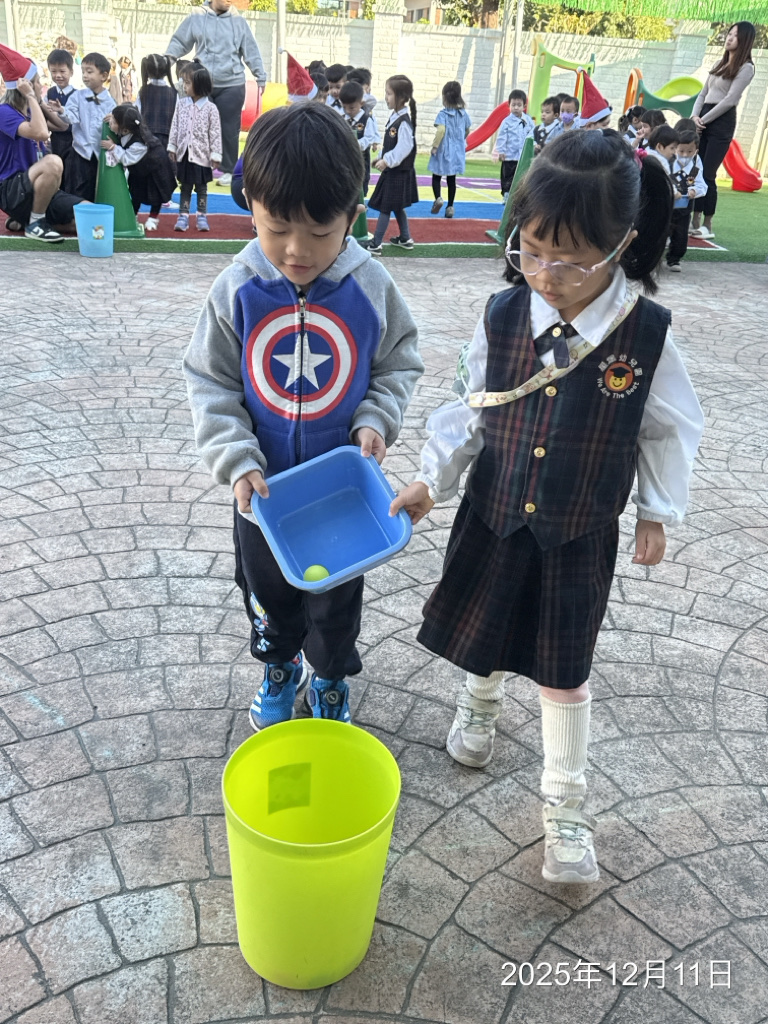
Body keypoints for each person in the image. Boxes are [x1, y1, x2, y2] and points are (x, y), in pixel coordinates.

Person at [390, 129, 703, 885]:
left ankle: (566, 807)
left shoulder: (646, 335)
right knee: (487, 628)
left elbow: (668, 429)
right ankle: (480, 702)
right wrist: (432, 480)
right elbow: (470, 407)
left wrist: (657, 511)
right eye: (530, 252)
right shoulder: (503, 315)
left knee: (565, 672)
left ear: (621, 244)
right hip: (494, 513)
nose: (546, 275)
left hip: (578, 532)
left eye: (570, 260)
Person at [181, 102, 422, 729]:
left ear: (352, 214)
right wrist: (235, 459)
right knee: (268, 595)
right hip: (262, 496)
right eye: (276, 227)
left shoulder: (371, 285)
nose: (296, 250)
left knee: (337, 603)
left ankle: (331, 677)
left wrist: (376, 417)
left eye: (320, 233)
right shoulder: (236, 288)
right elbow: (210, 380)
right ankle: (279, 668)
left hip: (342, 496)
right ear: (250, 206)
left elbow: (399, 362)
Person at [165, 0, 266, 184]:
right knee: (197, 126)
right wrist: (167, 61)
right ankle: (197, 166)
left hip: (231, 83)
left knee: (228, 128)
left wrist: (260, 76)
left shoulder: (239, 22)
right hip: (202, 82)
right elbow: (179, 41)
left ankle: (228, 169)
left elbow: (251, 50)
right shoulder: (197, 16)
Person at [0, 43, 84, 241]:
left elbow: (62, 126)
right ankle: (35, 223)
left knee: (88, 216)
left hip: (39, 189)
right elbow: (41, 133)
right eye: (37, 82)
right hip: (12, 189)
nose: (41, 85)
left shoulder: (31, 110)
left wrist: (37, 101)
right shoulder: (4, 112)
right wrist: (31, 96)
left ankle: (24, 221)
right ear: (26, 88)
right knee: (53, 162)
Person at [691, 21, 756, 240]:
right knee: (696, 170)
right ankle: (694, 219)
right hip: (703, 118)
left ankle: (707, 224)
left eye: (735, 35)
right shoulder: (719, 64)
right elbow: (702, 94)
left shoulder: (746, 68)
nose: (729, 38)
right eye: (729, 33)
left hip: (721, 122)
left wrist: (703, 120)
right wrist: (694, 117)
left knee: (708, 173)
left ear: (744, 40)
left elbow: (730, 100)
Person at [362, 74, 419, 255]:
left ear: (401, 97)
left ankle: (376, 243)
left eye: (389, 94)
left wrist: (387, 161)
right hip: (394, 172)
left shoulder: (403, 122)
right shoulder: (395, 117)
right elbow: (390, 145)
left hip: (398, 173)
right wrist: (380, 157)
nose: (386, 97)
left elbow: (404, 148)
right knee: (397, 205)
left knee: (386, 206)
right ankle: (405, 238)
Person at [48, 51, 115, 202]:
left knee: (97, 189)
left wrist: (114, 121)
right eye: (83, 71)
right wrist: (62, 110)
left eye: (89, 72)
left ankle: (93, 215)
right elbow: (71, 117)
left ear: (104, 76)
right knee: (77, 189)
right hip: (80, 152)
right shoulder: (78, 96)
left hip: (99, 154)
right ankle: (75, 215)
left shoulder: (110, 103)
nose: (85, 75)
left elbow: (114, 128)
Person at [101, 104, 176, 231]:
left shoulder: (139, 143)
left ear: (125, 129)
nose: (110, 123)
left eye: (113, 121)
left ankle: (153, 218)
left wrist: (113, 147)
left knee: (155, 194)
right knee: (135, 191)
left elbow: (127, 158)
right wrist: (113, 117)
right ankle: (133, 214)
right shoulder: (128, 130)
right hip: (140, 169)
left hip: (155, 168)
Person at [167, 62, 222, 232]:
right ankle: (183, 216)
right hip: (184, 154)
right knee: (185, 186)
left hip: (202, 155)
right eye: (183, 82)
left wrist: (215, 154)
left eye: (187, 82)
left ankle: (201, 215)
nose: (184, 86)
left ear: (199, 84)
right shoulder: (181, 104)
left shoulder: (211, 109)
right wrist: (172, 146)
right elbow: (175, 125)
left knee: (201, 187)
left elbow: (215, 132)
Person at [428, 80, 471, 219]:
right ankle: (450, 206)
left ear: (445, 97)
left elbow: (441, 130)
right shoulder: (463, 114)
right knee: (452, 178)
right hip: (457, 151)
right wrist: (460, 140)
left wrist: (435, 146)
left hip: (444, 151)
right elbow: (467, 130)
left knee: (437, 175)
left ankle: (438, 198)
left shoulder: (443, 114)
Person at [667, 130, 706, 273]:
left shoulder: (694, 168)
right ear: (675, 148)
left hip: (684, 208)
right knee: (659, 233)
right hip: (666, 207)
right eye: (681, 151)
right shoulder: (668, 162)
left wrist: (694, 191)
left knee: (681, 235)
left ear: (696, 151)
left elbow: (701, 185)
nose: (684, 155)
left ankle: (674, 259)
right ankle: (653, 258)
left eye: (689, 152)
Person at [340, 80, 380, 197]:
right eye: (344, 107)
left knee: (360, 186)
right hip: (345, 161)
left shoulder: (366, 119)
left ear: (361, 103)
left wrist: (356, 144)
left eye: (351, 108)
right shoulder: (342, 119)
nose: (348, 111)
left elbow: (369, 137)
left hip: (361, 160)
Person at [496, 89, 534, 198]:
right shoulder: (506, 122)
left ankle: (519, 195)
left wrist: (533, 147)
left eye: (519, 105)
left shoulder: (528, 120)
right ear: (509, 105)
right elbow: (502, 137)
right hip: (509, 155)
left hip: (522, 156)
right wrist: (501, 151)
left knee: (522, 176)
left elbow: (532, 134)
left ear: (524, 106)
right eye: (513, 105)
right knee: (507, 175)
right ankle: (506, 194)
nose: (516, 108)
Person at [137, 54, 178, 150]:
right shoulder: (174, 93)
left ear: (147, 71)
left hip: (146, 140)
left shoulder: (143, 91)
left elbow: (137, 114)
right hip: (168, 142)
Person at [46, 48, 76, 167]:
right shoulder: (50, 93)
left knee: (71, 170)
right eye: (53, 71)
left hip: (73, 144)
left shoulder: (77, 95)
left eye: (62, 71)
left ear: (71, 72)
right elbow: (45, 117)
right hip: (56, 142)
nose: (58, 75)